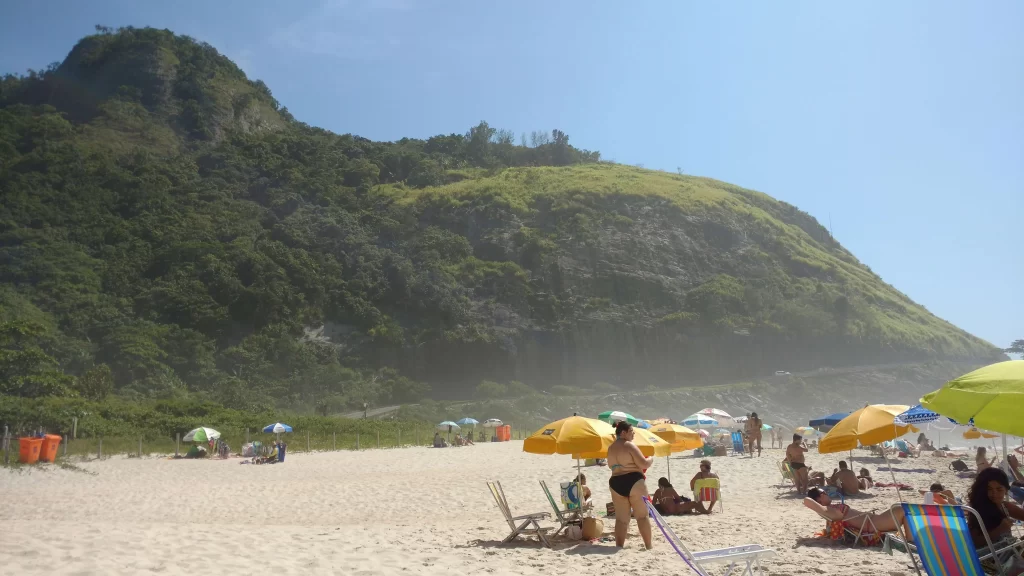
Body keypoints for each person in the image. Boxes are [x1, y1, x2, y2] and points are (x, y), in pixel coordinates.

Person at [607, 421, 654, 549]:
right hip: (633, 480)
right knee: (642, 516)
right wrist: (651, 459)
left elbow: (611, 466)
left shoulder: (610, 448)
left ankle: (619, 546)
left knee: (621, 519)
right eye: (631, 431)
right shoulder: (629, 446)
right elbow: (643, 464)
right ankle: (648, 546)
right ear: (623, 432)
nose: (633, 434)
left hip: (616, 482)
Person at [804, 487, 909, 544]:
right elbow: (807, 500)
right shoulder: (828, 510)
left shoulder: (830, 508)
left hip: (875, 520)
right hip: (874, 524)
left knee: (902, 508)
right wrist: (817, 504)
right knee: (901, 509)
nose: (827, 493)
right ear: (819, 498)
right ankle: (910, 541)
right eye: (824, 493)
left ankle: (910, 540)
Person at [966, 468, 1024, 551]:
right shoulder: (977, 510)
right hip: (989, 559)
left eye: (999, 489)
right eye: (989, 489)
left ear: (1006, 490)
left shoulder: (1005, 507)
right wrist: (1000, 529)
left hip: (1008, 553)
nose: (994, 494)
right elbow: (974, 542)